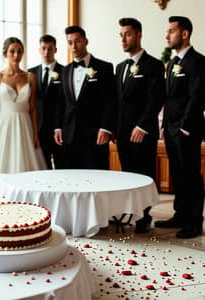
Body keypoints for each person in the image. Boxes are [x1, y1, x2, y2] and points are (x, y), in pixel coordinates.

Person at [154, 16, 205, 238]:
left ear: (184, 34)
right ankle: (180, 215)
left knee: (191, 175)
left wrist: (184, 127)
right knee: (178, 174)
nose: (167, 35)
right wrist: (165, 126)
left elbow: (197, 96)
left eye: (171, 31)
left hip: (187, 129)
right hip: (171, 130)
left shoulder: (199, 62)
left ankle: (194, 222)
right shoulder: (173, 63)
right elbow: (168, 98)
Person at [115, 18, 166, 233]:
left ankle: (144, 216)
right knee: (127, 173)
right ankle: (131, 212)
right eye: (121, 35)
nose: (123, 39)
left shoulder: (153, 65)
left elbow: (156, 98)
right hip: (123, 132)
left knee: (144, 174)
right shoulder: (120, 67)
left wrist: (143, 126)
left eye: (127, 34)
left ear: (138, 35)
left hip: (143, 132)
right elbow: (117, 102)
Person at [0, 37, 46, 173]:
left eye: (19, 51)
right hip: (3, 125)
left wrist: (35, 134)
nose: (16, 55)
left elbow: (32, 108)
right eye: (12, 51)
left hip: (25, 125)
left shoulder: (30, 77)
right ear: (5, 54)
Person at [54, 26, 115, 169]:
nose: (74, 46)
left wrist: (105, 128)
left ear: (86, 41)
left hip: (95, 135)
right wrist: (57, 128)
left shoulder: (104, 67)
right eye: (70, 43)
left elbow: (110, 101)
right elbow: (60, 102)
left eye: (77, 41)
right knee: (71, 178)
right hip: (69, 135)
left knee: (97, 178)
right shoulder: (65, 70)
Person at [28, 34, 64, 169]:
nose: (46, 52)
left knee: (61, 166)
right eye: (43, 48)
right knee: (42, 167)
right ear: (39, 49)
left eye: (50, 49)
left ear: (55, 50)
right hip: (37, 129)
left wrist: (59, 127)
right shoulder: (30, 73)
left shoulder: (64, 71)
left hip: (58, 129)